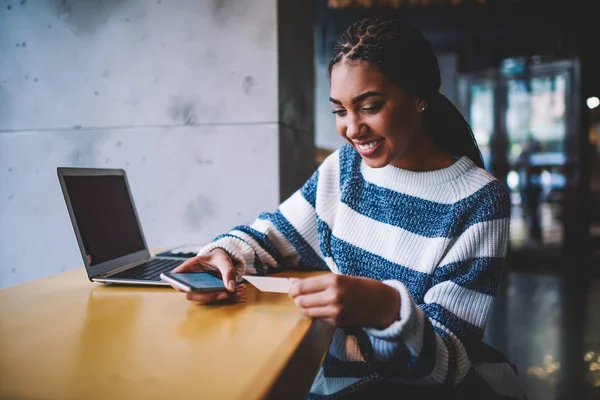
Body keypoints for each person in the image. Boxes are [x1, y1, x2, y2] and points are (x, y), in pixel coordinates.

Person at [171, 16, 525, 399]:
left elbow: (449, 363)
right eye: (340, 111)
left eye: (369, 106)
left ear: (420, 95)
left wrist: (385, 309)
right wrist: (223, 255)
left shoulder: (480, 201)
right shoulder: (344, 170)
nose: (352, 128)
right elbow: (274, 234)